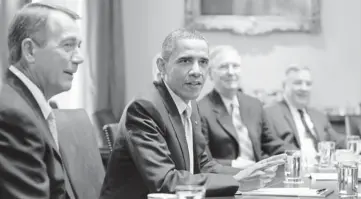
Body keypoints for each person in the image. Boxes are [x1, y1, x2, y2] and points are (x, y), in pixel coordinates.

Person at [100, 29, 285, 199]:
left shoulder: (190, 104)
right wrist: (238, 182)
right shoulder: (144, 108)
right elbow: (166, 181)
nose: (197, 71)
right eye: (185, 60)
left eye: (203, 62)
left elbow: (205, 166)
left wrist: (251, 172)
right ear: (162, 66)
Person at [0, 2, 84, 198]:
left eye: (79, 46)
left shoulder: (27, 104)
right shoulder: (13, 115)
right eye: (68, 45)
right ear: (29, 51)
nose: (79, 58)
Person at [199, 45, 289, 169]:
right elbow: (203, 160)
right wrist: (234, 165)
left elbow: (272, 143)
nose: (231, 72)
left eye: (235, 66)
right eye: (223, 67)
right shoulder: (201, 110)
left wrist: (291, 156)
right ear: (210, 74)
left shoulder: (254, 104)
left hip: (260, 177)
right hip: (228, 179)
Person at [265, 65, 345, 165]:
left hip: (322, 171)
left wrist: (355, 144)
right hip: (293, 172)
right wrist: (299, 155)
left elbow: (337, 141)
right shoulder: (270, 113)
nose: (304, 88)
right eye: (298, 83)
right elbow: (272, 145)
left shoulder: (319, 115)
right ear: (284, 85)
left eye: (308, 84)